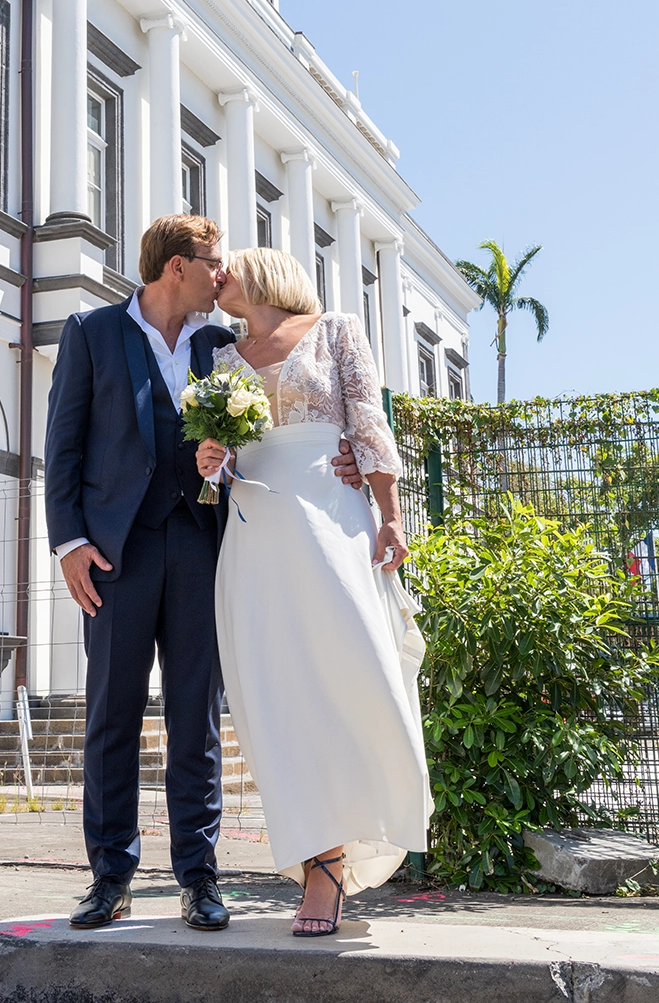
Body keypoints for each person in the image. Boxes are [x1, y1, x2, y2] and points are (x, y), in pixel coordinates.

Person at [44, 215, 364, 932]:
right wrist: (68, 541)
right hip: (113, 555)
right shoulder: (92, 332)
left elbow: (288, 410)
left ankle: (198, 878)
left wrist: (342, 457)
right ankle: (110, 877)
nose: (221, 276)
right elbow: (62, 445)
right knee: (111, 717)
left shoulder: (224, 346)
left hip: (203, 549)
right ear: (174, 269)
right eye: (211, 263)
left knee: (196, 720)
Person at [196, 247, 430, 937]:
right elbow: (224, 453)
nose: (218, 280)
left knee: (353, 669)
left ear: (262, 272)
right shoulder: (223, 356)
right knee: (277, 691)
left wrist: (390, 515)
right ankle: (320, 865)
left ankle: (371, 817)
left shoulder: (337, 329)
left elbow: (368, 423)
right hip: (256, 525)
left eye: (226, 268)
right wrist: (213, 460)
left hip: (331, 511)